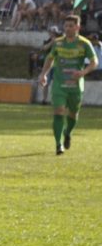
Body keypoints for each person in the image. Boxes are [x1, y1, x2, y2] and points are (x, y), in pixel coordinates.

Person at [38, 14, 97, 155]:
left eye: (71, 26)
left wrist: (83, 72)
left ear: (78, 27)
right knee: (58, 111)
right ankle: (58, 145)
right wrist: (43, 74)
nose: (67, 28)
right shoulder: (58, 43)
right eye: (65, 26)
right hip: (59, 84)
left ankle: (68, 132)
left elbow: (94, 62)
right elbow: (50, 59)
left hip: (76, 86)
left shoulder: (84, 43)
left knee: (73, 114)